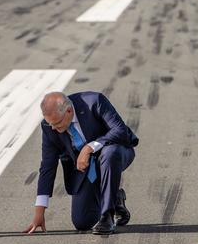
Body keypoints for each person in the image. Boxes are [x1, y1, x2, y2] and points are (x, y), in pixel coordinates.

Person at [24, 91, 138, 235]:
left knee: (109, 154)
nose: (53, 128)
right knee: (82, 222)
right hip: (85, 168)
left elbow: (120, 130)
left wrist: (90, 147)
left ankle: (107, 216)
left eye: (57, 123)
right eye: (50, 123)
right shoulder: (49, 126)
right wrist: (39, 212)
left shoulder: (94, 101)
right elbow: (47, 166)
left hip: (115, 152)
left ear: (69, 111)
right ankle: (115, 198)